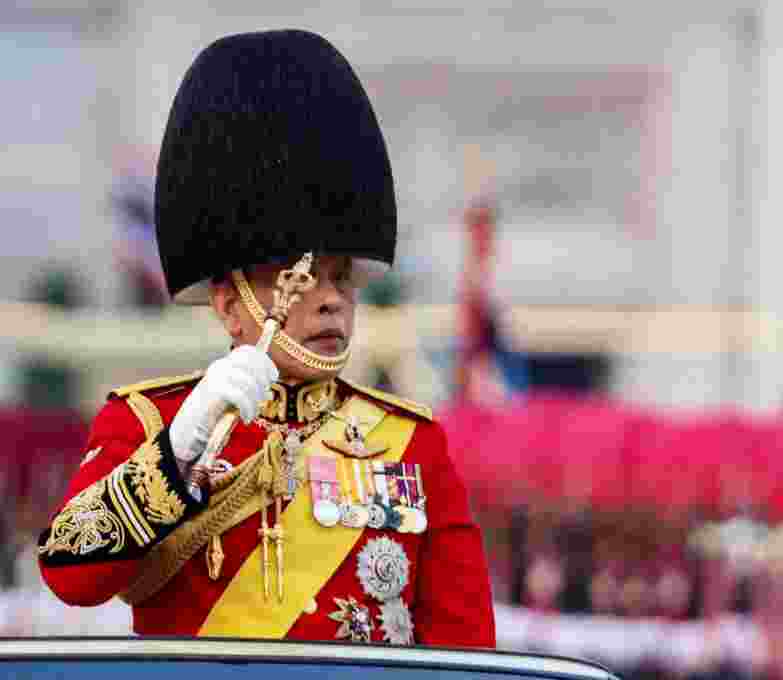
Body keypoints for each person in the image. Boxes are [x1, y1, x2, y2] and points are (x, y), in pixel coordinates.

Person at [37, 29, 495, 647]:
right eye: (302, 280)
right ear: (230, 305)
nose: (332, 297)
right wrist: (174, 456)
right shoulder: (146, 423)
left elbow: (465, 660)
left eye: (341, 278)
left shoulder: (413, 445)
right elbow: (69, 574)